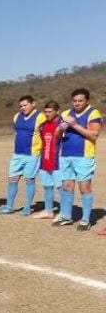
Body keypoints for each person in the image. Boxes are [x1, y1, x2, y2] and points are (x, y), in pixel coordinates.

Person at [53, 88, 102, 231]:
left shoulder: (93, 113)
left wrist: (74, 125)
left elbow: (94, 135)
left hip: (84, 156)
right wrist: (60, 129)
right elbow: (57, 135)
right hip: (65, 155)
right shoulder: (65, 114)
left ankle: (85, 220)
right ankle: (66, 217)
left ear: (87, 101)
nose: (77, 103)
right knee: (67, 187)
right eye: (74, 101)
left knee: (84, 187)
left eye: (80, 101)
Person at [0, 96, 47, 216]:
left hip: (32, 155)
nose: (23, 108)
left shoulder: (41, 117)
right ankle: (9, 207)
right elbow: (17, 132)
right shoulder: (16, 116)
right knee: (12, 180)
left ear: (33, 104)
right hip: (17, 154)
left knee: (29, 180)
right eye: (21, 106)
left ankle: (27, 207)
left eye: (25, 105)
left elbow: (45, 135)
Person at [34, 101, 62, 220]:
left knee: (61, 187)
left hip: (57, 161)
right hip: (45, 160)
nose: (47, 114)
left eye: (50, 111)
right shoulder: (42, 125)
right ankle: (48, 211)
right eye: (46, 111)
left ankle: (64, 212)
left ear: (57, 111)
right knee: (47, 186)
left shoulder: (62, 125)